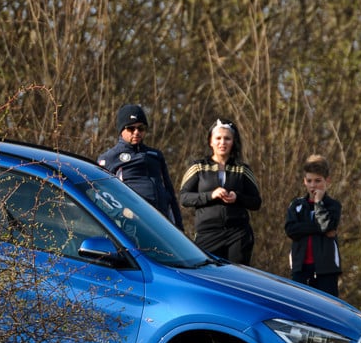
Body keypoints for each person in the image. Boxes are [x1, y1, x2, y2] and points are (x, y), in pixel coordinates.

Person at [178, 119, 262, 264]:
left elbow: (256, 202)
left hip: (238, 233)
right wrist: (210, 195)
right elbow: (184, 198)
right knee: (207, 277)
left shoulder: (242, 169)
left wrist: (238, 197)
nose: (222, 142)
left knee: (238, 278)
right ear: (211, 141)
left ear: (233, 142)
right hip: (207, 233)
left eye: (227, 138)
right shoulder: (198, 167)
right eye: (218, 138)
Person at [98, 104, 183, 228]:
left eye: (141, 128)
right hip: (132, 224)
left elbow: (170, 193)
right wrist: (122, 212)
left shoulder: (156, 155)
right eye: (131, 128)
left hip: (162, 223)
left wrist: (179, 226)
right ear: (121, 130)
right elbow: (99, 196)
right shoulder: (110, 158)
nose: (136, 132)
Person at [285, 155, 342, 296]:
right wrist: (320, 229)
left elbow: (327, 226)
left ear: (327, 180)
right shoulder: (296, 205)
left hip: (326, 269)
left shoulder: (333, 205)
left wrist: (318, 203)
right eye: (309, 181)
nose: (313, 185)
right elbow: (291, 230)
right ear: (304, 181)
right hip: (300, 268)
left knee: (328, 308)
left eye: (317, 181)